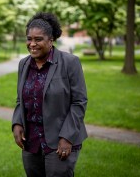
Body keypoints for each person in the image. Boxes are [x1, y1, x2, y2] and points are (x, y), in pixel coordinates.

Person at [12, 12, 88, 177]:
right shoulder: (24, 64)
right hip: (31, 142)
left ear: (51, 40)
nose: (32, 44)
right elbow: (20, 98)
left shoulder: (70, 63)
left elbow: (79, 102)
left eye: (38, 39)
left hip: (60, 142)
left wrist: (67, 137)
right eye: (29, 39)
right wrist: (17, 123)